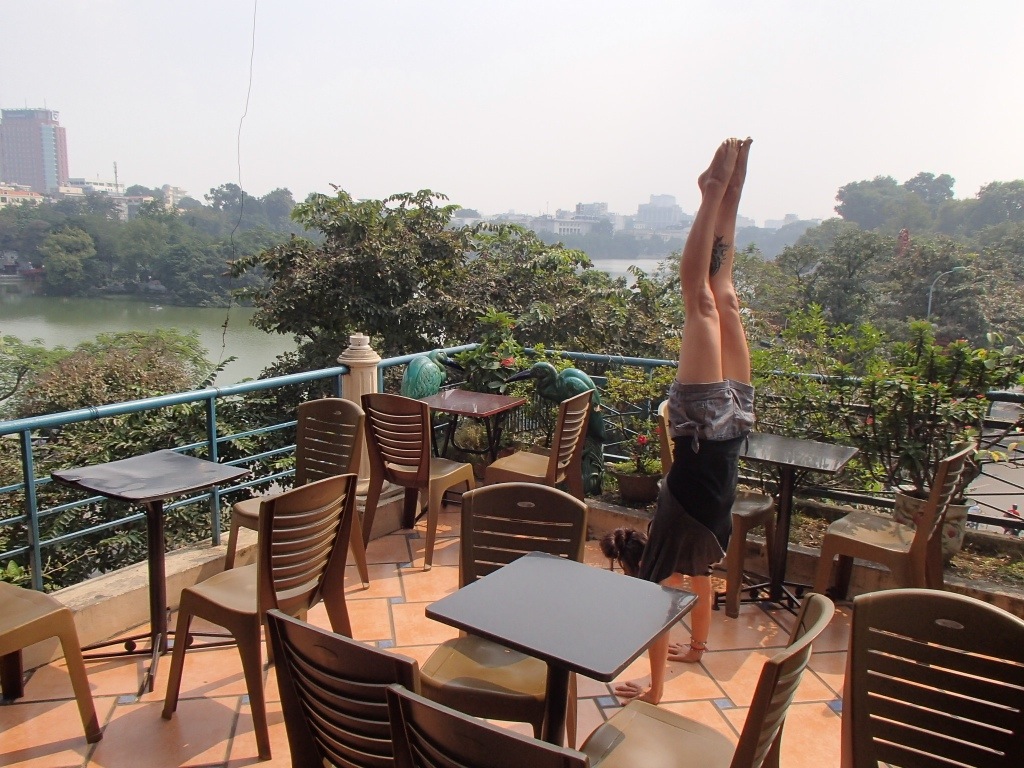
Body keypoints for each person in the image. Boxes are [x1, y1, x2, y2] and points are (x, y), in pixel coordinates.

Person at [615, 137, 755, 704]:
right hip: (715, 435)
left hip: (728, 427)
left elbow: (659, 603)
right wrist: (693, 649)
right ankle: (727, 193)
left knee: (711, 298)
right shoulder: (691, 544)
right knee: (717, 299)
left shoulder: (676, 539)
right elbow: (699, 585)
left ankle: (719, 192)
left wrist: (652, 688)